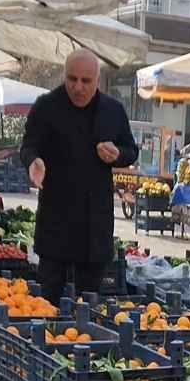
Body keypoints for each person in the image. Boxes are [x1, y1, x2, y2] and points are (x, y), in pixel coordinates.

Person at [20, 49, 138, 306]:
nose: (78, 87)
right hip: (56, 219)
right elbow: (28, 146)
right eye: (72, 79)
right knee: (46, 301)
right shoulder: (46, 106)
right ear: (64, 76)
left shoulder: (113, 110)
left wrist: (118, 154)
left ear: (97, 80)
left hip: (94, 223)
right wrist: (33, 162)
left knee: (89, 303)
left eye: (86, 81)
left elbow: (131, 150)